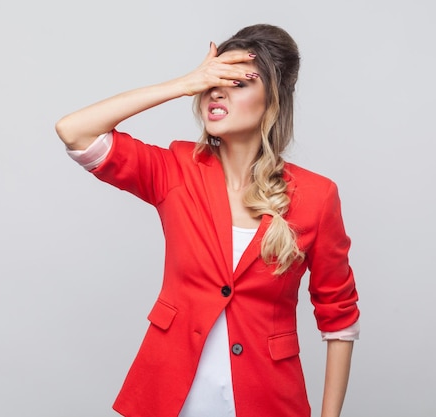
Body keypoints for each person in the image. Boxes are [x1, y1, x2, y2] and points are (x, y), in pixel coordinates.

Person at [55, 23, 360, 417]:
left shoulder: (317, 196)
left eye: (238, 83)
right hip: (170, 395)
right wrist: (184, 83)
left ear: (273, 102)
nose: (217, 91)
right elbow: (73, 131)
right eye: (214, 81)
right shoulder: (177, 169)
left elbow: (339, 319)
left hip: (267, 398)